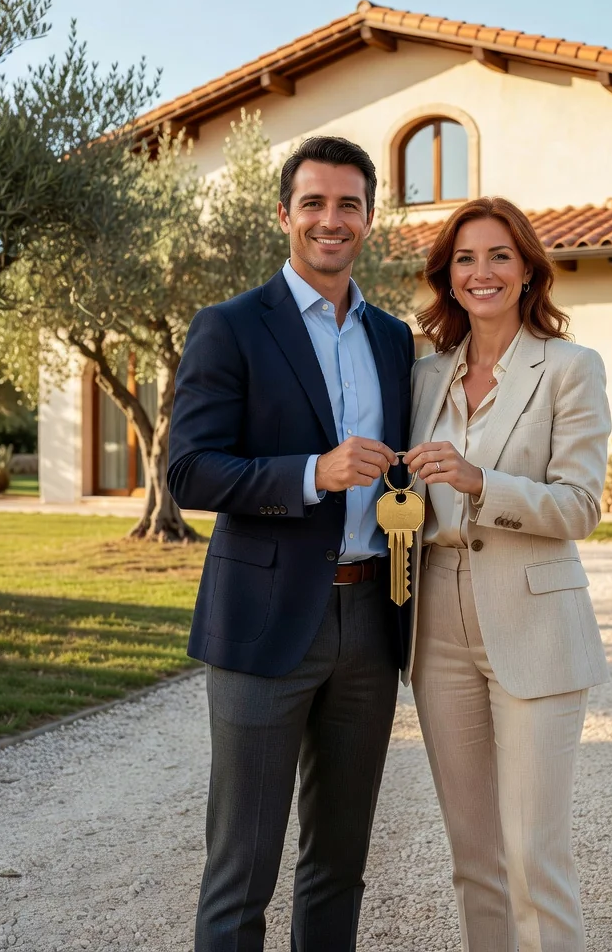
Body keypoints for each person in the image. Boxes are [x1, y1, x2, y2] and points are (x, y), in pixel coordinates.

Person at [167, 136, 414, 951]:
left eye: (349, 204)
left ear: (370, 220)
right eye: (313, 203)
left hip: (372, 621)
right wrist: (316, 471)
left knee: (339, 864)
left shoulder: (393, 340)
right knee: (241, 873)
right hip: (263, 621)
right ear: (284, 215)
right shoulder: (230, 327)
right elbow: (193, 474)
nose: (331, 220)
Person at [404, 196, 611, 952]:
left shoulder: (570, 369)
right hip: (437, 623)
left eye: (498, 256)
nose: (481, 271)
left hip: (536, 621)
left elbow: (581, 506)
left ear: (527, 270)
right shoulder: (425, 378)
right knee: (474, 857)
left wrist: (477, 480)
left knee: (533, 854)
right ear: (447, 276)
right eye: (465, 258)